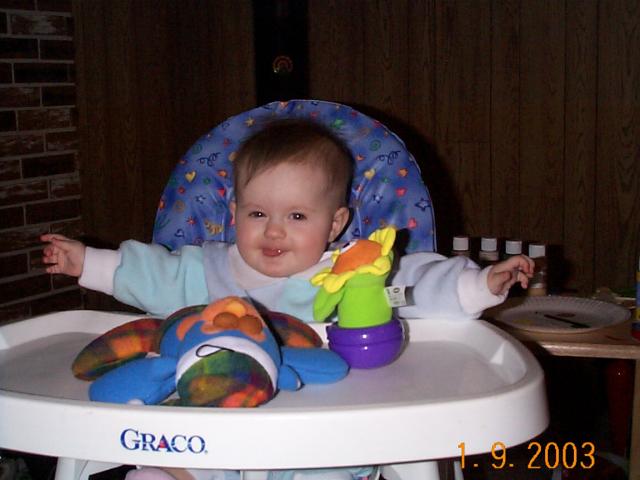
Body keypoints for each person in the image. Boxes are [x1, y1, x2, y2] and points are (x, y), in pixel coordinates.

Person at [42, 119, 534, 480]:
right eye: (258, 213)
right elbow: (150, 274)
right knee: (167, 459)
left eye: (297, 216)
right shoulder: (203, 271)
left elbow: (416, 284)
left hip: (320, 439)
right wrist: (88, 262)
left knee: (334, 467)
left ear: (335, 223)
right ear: (234, 211)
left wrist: (478, 285)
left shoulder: (350, 275)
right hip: (217, 432)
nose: (274, 230)